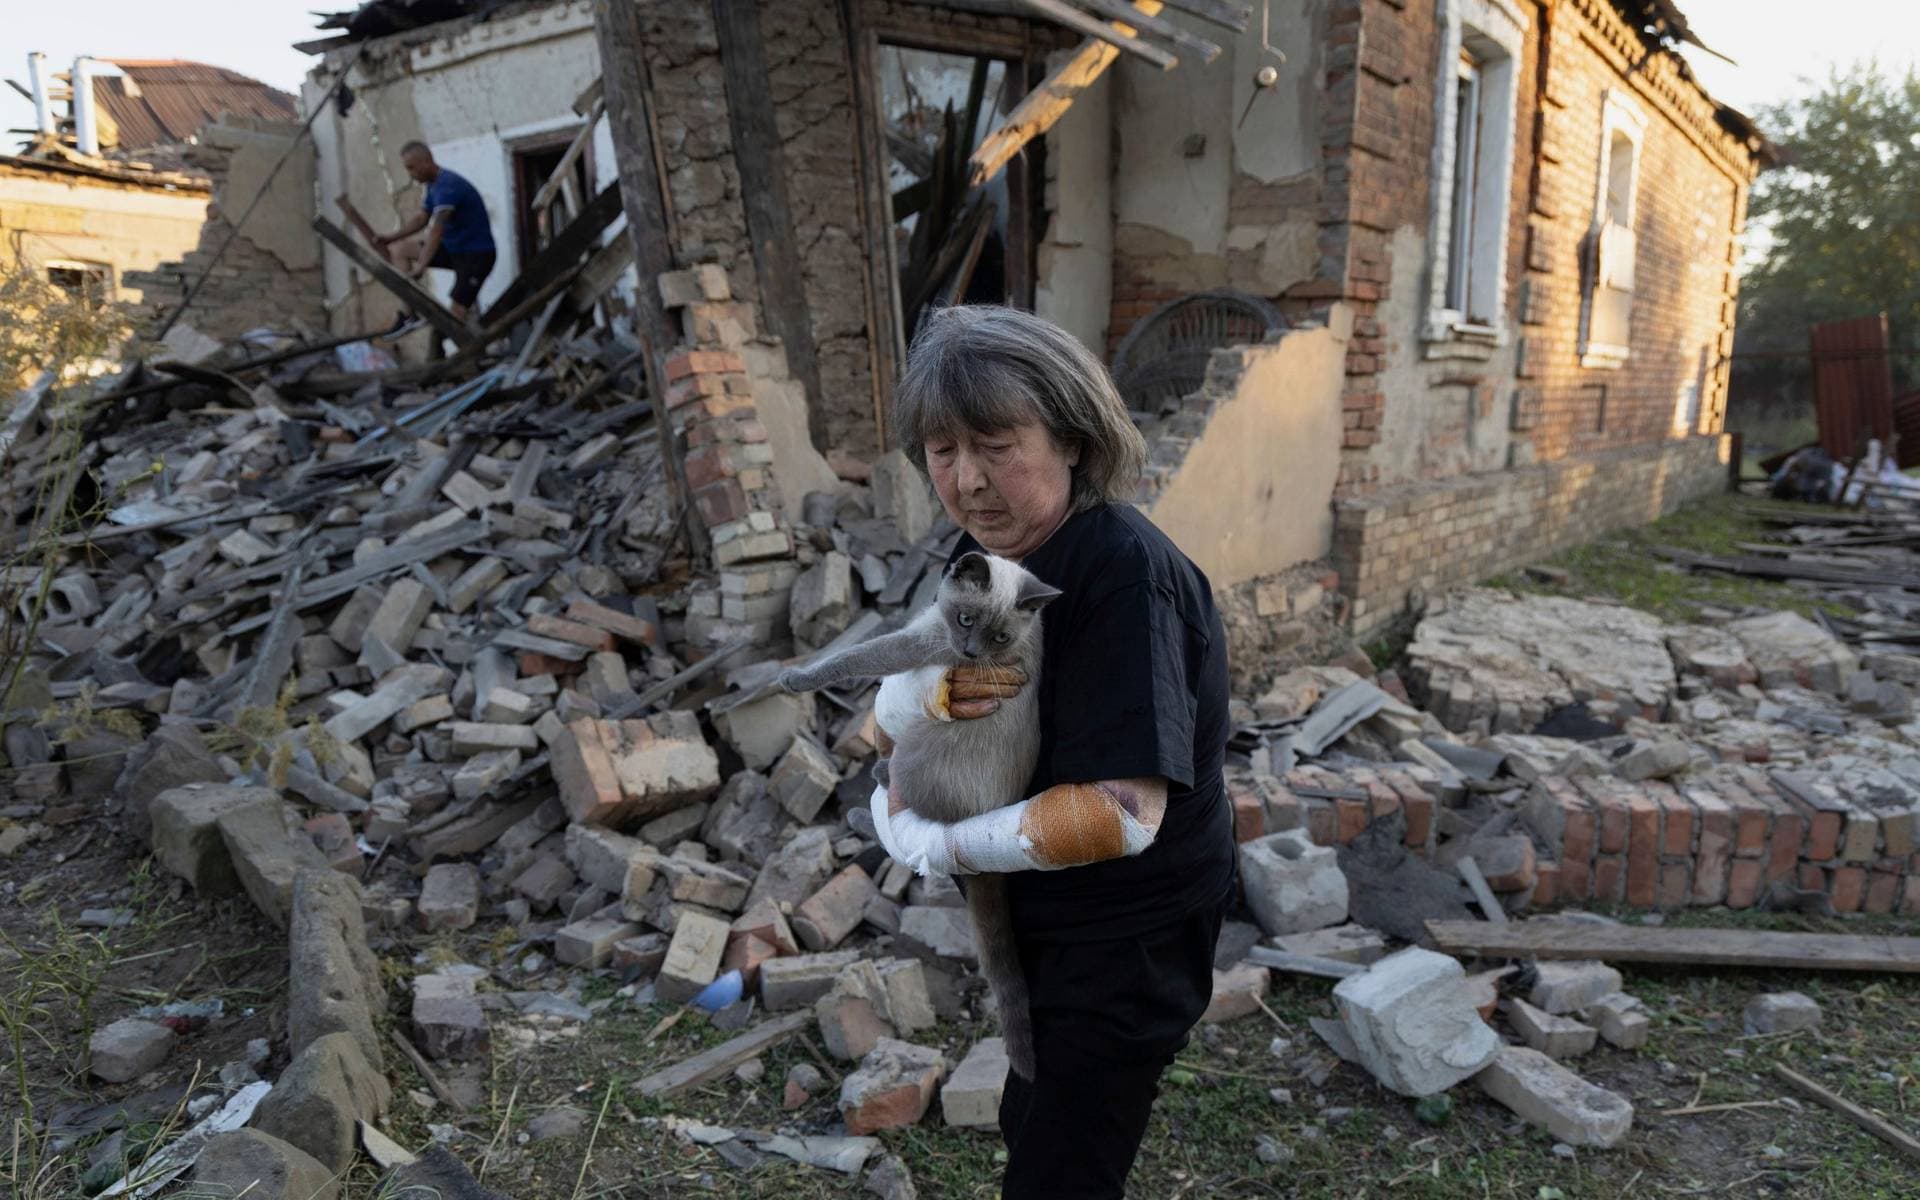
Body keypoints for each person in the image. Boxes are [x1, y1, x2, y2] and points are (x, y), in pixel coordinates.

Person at [871, 305, 1235, 1199]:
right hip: (1042, 913)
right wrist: (911, 702)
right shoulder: (987, 554)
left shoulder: (1123, 577)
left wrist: (936, 844)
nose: (967, 481)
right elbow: (899, 725)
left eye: (997, 446)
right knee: (1035, 1112)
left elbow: (1119, 815)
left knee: (1064, 1164)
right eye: (943, 450)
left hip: (1124, 934)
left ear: (1072, 439)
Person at [374, 142, 496, 321]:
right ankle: (408, 315)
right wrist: (390, 238)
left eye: (412, 168)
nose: (410, 174)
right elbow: (421, 219)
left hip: (476, 256)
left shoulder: (448, 186)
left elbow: (436, 230)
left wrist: (421, 265)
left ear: (426, 161)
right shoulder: (433, 186)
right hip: (454, 250)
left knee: (455, 314)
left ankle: (454, 336)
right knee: (399, 250)